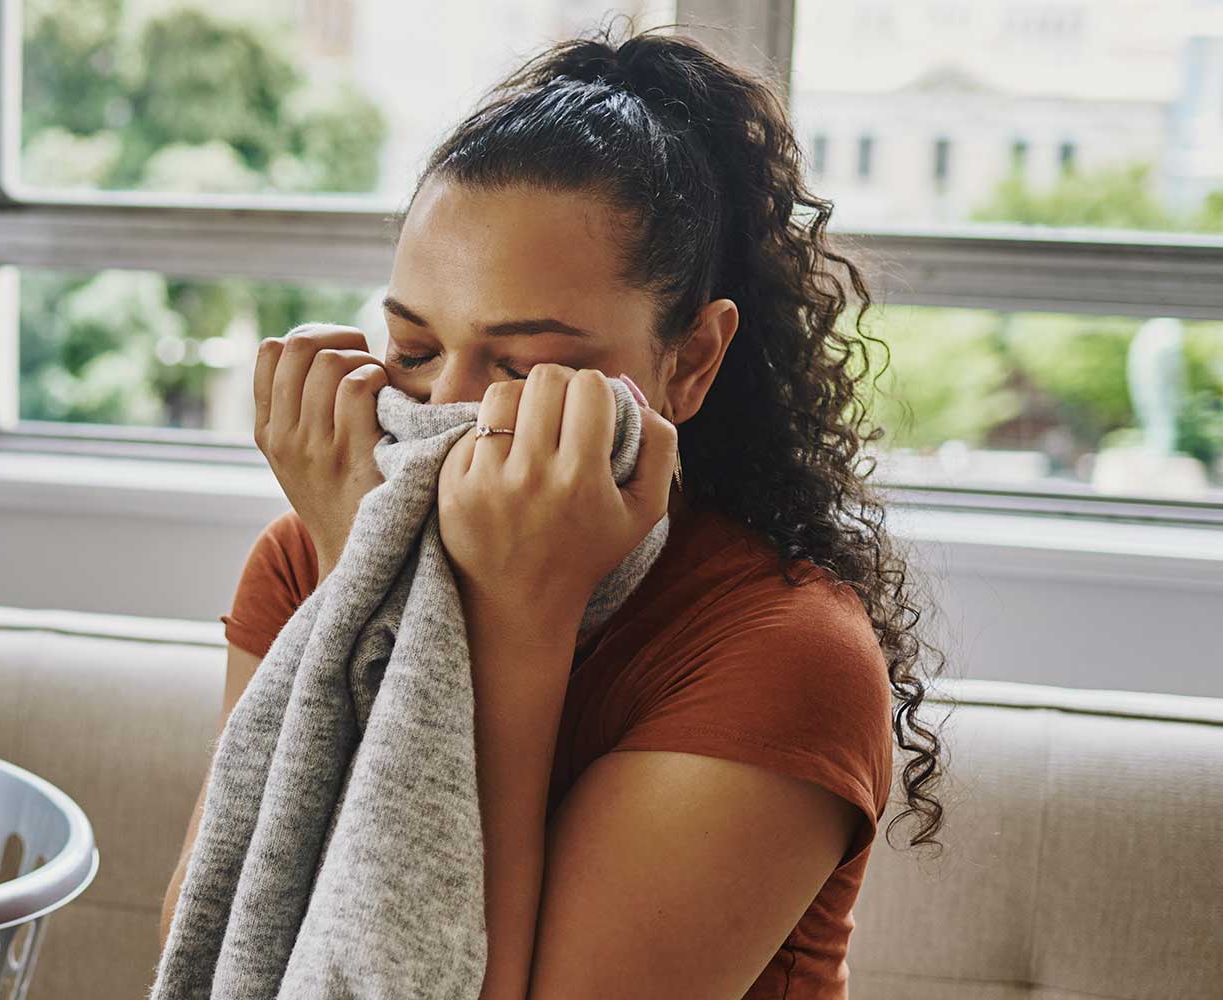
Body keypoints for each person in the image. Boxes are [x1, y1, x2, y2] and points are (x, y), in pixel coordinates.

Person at [159, 30, 945, 1000]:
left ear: (689, 361)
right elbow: (225, 947)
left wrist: (512, 621)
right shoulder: (314, 547)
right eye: (410, 349)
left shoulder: (782, 655)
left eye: (524, 367)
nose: (451, 407)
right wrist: (350, 578)